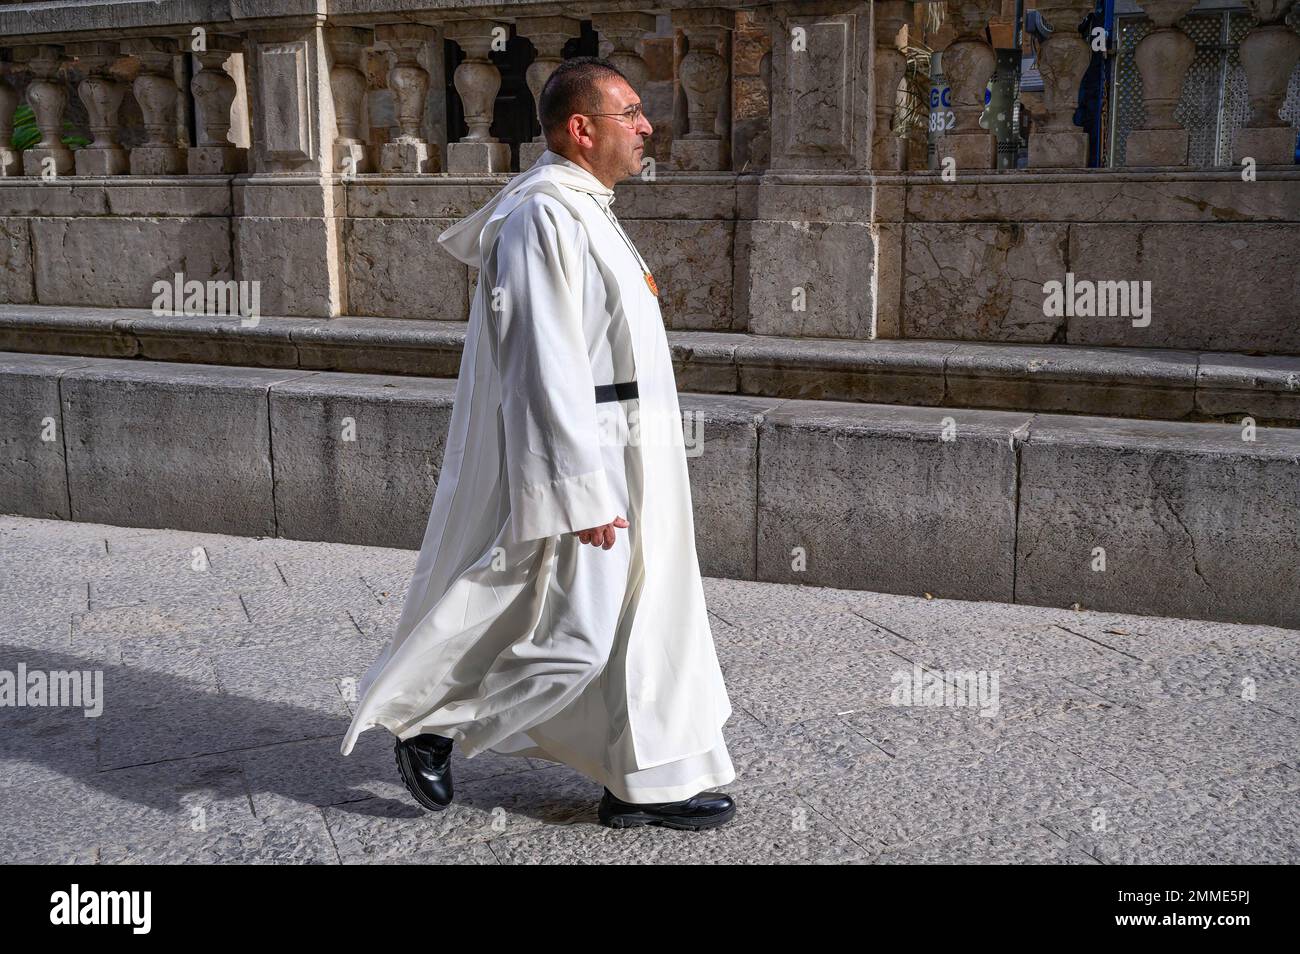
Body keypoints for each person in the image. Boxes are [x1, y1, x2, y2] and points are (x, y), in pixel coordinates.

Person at [339, 56, 738, 831]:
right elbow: (540, 361)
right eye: (632, 114)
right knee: (579, 631)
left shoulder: (588, 208)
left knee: (642, 617)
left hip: (634, 448)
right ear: (582, 129)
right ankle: (430, 720)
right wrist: (577, 486)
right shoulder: (540, 216)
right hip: (594, 453)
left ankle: (642, 783)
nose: (648, 126)